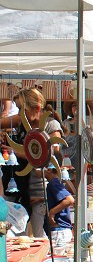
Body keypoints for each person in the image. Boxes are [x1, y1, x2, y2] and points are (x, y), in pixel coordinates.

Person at [6, 88, 48, 236]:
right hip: (29, 193)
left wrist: (18, 153)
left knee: (42, 238)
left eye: (21, 109)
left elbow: (50, 161)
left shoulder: (49, 127)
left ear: (36, 108)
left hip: (42, 196)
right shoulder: (26, 129)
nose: (18, 115)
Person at [44, 165, 74, 249]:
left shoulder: (53, 184)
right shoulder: (56, 183)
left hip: (60, 232)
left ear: (49, 170)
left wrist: (52, 213)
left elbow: (69, 200)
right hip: (61, 230)